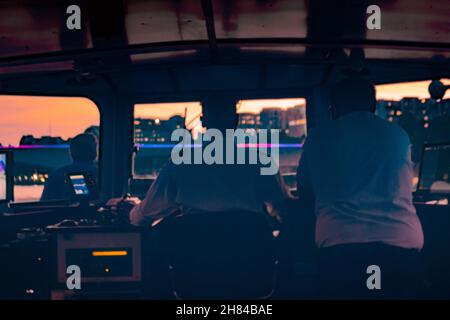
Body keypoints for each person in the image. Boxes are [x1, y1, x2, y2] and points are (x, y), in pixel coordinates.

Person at [296, 77, 424, 299]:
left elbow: (305, 192)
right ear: (373, 106)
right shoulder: (397, 135)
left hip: (341, 245)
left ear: (333, 108)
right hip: (402, 243)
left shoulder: (319, 136)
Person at [129, 100, 288, 226]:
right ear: (236, 120)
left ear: (203, 121)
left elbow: (146, 213)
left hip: (194, 260)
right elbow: (283, 209)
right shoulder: (261, 162)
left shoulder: (179, 165)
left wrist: (130, 212)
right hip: (250, 257)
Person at [41, 133, 98, 201]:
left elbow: (44, 203)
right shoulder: (101, 174)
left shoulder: (55, 175)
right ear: (94, 151)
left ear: (71, 152)